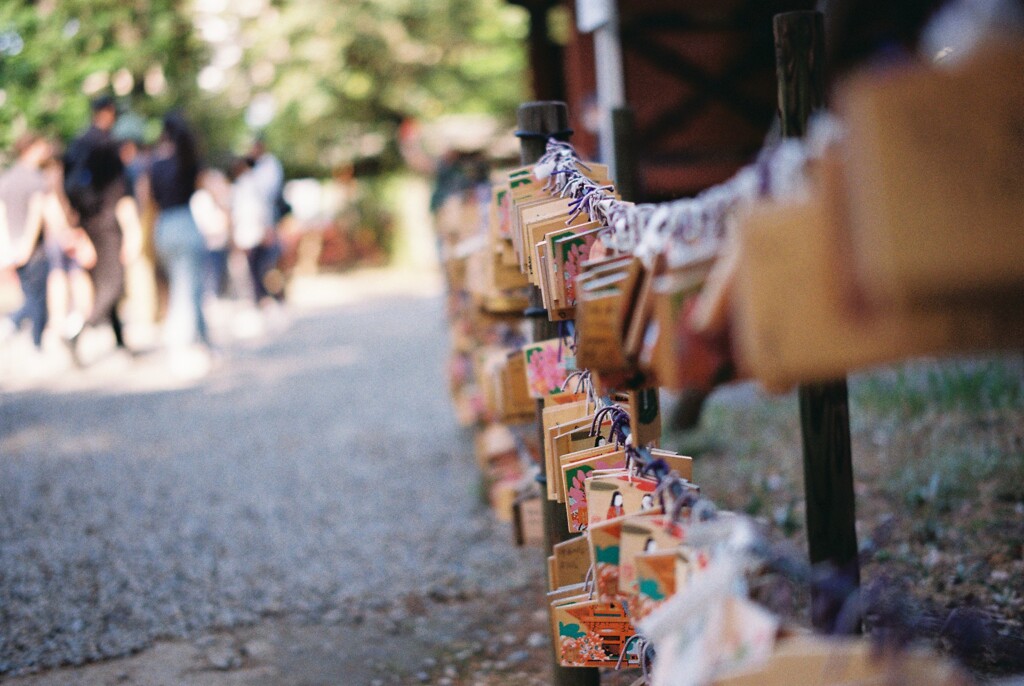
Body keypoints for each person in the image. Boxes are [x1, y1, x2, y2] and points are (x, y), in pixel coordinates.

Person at [63, 95, 142, 359]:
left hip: (87, 223)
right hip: (107, 223)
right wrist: (132, 229)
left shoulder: (77, 144)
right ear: (107, 112)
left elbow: (67, 188)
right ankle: (77, 331)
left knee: (104, 282)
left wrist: (76, 226)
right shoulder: (107, 146)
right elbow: (122, 193)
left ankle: (120, 342)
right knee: (113, 283)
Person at [145, 113, 210, 357]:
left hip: (163, 227)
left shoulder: (154, 164)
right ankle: (183, 343)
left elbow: (148, 199)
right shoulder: (188, 159)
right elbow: (206, 187)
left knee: (182, 285)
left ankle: (201, 339)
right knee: (188, 288)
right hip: (184, 223)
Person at [0, 134, 64, 349]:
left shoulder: (7, 178)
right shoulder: (35, 179)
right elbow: (38, 214)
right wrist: (27, 244)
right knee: (37, 298)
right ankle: (26, 334)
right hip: (32, 247)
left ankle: (21, 331)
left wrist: (6, 245)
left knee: (30, 294)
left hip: (13, 243)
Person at [245, 137, 285, 304]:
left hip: (267, 222)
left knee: (269, 264)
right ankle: (266, 299)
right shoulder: (258, 169)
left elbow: (266, 198)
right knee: (259, 265)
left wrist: (267, 226)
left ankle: (277, 297)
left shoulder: (269, 167)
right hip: (258, 224)